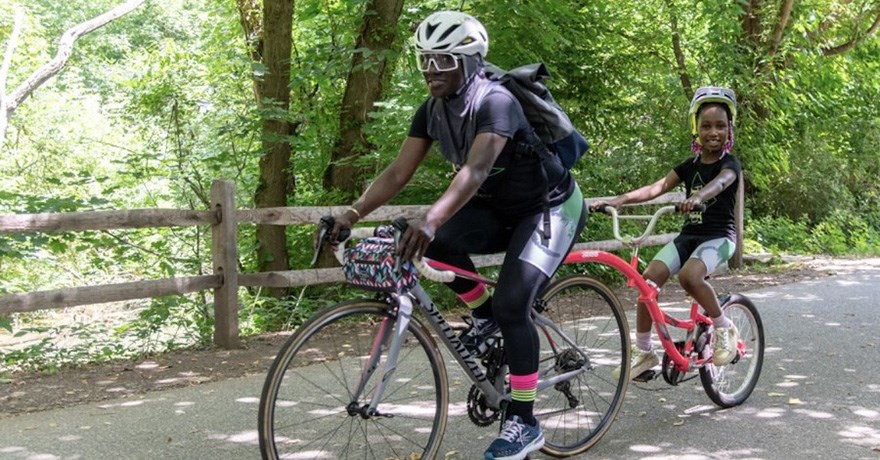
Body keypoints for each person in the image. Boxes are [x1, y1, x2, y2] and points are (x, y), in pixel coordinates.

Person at [328, 10, 586, 460]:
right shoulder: (431, 110)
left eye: (443, 60)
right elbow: (396, 172)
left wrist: (431, 218)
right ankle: (484, 319)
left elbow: (476, 168)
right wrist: (349, 214)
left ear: (468, 62)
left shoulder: (496, 101)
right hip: (497, 209)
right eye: (425, 60)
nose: (431, 70)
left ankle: (524, 422)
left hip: (549, 207)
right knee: (443, 243)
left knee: (512, 304)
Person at [591, 86, 742, 379]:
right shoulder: (689, 166)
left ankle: (724, 328)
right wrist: (618, 200)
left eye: (721, 126)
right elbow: (657, 188)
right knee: (647, 282)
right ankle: (644, 352)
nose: (713, 131)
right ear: (696, 129)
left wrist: (699, 197)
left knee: (689, 276)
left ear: (729, 129)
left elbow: (722, 183)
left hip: (720, 237)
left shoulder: (729, 164)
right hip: (689, 238)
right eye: (706, 125)